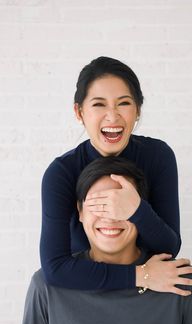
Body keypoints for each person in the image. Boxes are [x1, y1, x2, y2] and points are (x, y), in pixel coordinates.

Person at [16, 157, 192, 324]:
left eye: (123, 206)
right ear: (80, 211)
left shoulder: (181, 282)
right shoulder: (46, 287)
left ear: (142, 212)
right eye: (99, 204)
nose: (111, 216)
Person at [41, 56, 184, 292]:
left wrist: (136, 209)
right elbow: (55, 268)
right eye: (99, 104)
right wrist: (142, 275)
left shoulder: (158, 156)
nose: (112, 116)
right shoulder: (61, 173)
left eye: (124, 103)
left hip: (151, 294)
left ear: (137, 110)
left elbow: (169, 248)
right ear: (79, 112)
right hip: (85, 286)